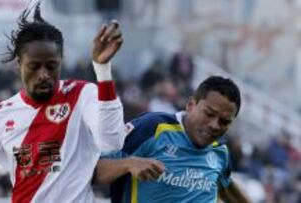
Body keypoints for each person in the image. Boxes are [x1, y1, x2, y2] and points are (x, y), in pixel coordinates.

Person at [0, 4, 126, 203]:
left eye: (51, 65)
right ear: (19, 64)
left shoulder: (82, 95)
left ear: (60, 62)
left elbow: (111, 141)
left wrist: (102, 69)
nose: (43, 74)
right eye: (34, 66)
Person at [94, 76, 252, 203]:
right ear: (191, 104)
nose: (214, 125)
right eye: (209, 113)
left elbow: (226, 186)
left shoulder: (220, 152)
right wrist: (128, 163)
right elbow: (93, 171)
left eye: (224, 122)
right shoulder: (152, 128)